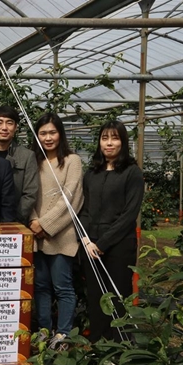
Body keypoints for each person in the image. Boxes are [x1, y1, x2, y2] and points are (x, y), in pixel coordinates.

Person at [79, 120, 144, 342]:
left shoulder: (132, 172)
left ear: (123, 142)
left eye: (114, 138)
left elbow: (129, 215)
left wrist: (103, 243)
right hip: (91, 246)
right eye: (104, 138)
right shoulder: (92, 173)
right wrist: (86, 240)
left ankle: (120, 346)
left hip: (119, 245)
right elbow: (85, 210)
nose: (109, 143)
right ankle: (98, 344)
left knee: (118, 295)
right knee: (96, 297)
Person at [29, 112, 84, 348]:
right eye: (43, 133)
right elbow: (28, 196)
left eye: (52, 132)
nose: (48, 137)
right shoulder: (34, 161)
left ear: (60, 133)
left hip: (61, 236)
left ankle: (62, 334)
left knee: (62, 286)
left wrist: (45, 225)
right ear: (37, 136)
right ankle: (43, 330)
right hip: (36, 235)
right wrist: (33, 221)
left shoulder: (72, 161)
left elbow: (72, 198)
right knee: (40, 286)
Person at [0, 106, 39, 224]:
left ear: (15, 127)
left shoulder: (27, 156)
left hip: (14, 222)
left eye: (9, 123)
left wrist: (14, 218)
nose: (4, 127)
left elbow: (30, 194)